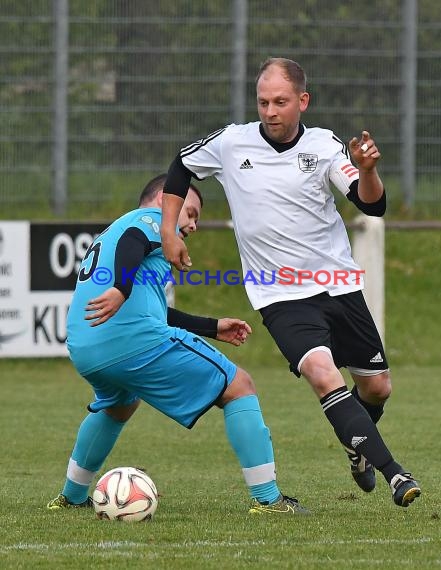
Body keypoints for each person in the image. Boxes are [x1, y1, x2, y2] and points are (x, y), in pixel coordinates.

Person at [160, 58, 421, 508]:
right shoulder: (230, 142)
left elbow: (370, 205)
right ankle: (395, 473)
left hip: (337, 284)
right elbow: (181, 167)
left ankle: (356, 444)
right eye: (263, 101)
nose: (269, 110)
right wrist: (168, 231)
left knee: (377, 389)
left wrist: (369, 169)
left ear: (303, 101)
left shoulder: (324, 146)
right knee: (323, 375)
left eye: (280, 101)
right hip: (277, 293)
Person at [47, 173, 309, 516]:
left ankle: (72, 496)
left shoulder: (111, 231)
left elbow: (154, 312)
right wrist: (121, 289)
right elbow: (133, 240)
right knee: (239, 385)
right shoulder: (152, 220)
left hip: (87, 347)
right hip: (129, 339)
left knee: (118, 405)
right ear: (164, 200)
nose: (194, 224)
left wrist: (212, 327)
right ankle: (269, 499)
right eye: (191, 212)